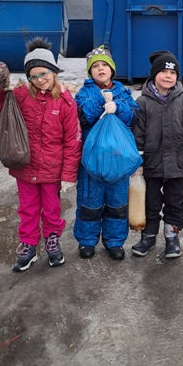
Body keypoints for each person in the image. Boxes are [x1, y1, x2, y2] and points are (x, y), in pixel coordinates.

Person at [0, 38, 81, 272]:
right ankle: (28, 244)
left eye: (44, 73)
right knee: (27, 209)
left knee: (51, 209)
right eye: (33, 76)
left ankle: (52, 240)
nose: (40, 79)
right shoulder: (20, 95)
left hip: (52, 168)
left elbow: (72, 140)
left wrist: (68, 174)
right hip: (25, 165)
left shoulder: (65, 102)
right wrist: (0, 87)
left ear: (53, 72)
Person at [131, 50, 183, 259]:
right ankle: (148, 236)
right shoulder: (142, 102)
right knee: (151, 202)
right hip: (151, 163)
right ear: (154, 75)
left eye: (172, 73)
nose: (168, 76)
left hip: (177, 163)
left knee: (175, 202)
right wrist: (138, 160)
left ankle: (172, 236)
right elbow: (138, 132)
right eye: (163, 72)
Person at [73, 46, 140, 261]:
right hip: (92, 159)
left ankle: (114, 241)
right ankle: (87, 240)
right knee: (89, 201)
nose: (100, 69)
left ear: (112, 69)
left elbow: (134, 117)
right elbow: (81, 118)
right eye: (95, 66)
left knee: (117, 203)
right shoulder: (84, 93)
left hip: (118, 159)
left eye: (105, 65)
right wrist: (101, 100)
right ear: (90, 72)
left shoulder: (123, 92)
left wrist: (117, 106)